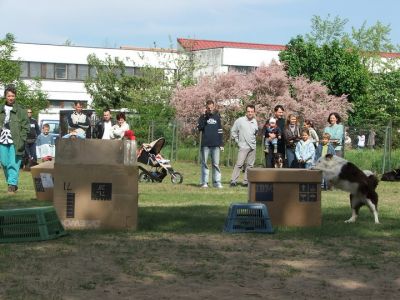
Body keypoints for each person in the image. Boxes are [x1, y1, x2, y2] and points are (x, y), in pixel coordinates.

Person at [0, 85, 30, 194]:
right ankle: (11, 182)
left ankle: (12, 185)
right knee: (4, 163)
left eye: (13, 96)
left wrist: (22, 139)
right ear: (5, 96)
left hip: (15, 140)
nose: (11, 98)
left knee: (13, 163)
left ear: (15, 96)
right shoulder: (1, 109)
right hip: (2, 139)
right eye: (9, 96)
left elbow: (26, 127)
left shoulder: (21, 110)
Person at [230, 104, 258, 187]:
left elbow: (255, 133)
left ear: (254, 112)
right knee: (239, 164)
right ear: (246, 112)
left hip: (252, 147)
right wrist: (237, 141)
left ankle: (246, 182)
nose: (250, 113)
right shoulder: (240, 120)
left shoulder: (255, 121)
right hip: (243, 146)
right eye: (248, 111)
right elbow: (233, 131)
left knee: (250, 165)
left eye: (251, 112)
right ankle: (233, 181)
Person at [197, 100, 224, 188]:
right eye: (208, 108)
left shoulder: (217, 117)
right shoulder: (202, 117)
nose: (210, 109)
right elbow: (199, 128)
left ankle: (217, 182)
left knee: (216, 164)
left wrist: (221, 144)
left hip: (216, 144)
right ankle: (204, 182)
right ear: (206, 108)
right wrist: (205, 118)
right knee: (205, 164)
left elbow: (220, 131)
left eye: (211, 108)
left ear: (213, 107)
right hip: (205, 145)